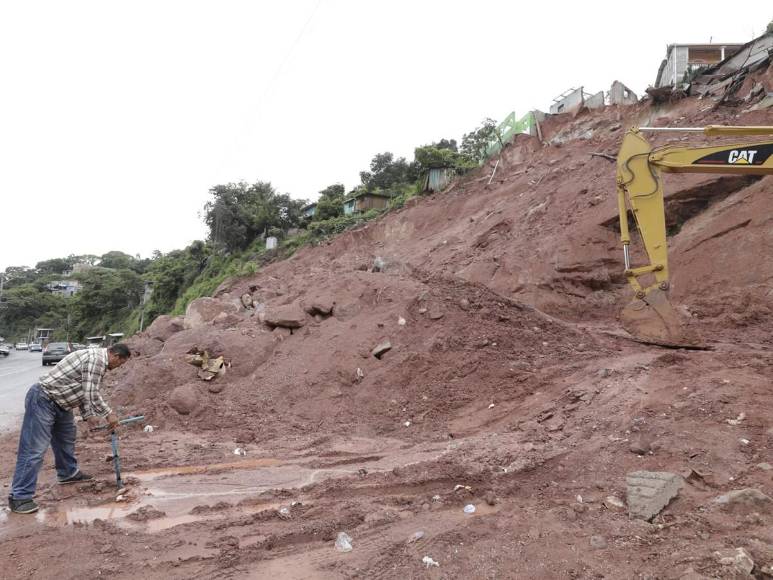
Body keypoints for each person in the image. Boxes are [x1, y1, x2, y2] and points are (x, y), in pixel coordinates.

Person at [7, 343, 131, 514]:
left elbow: (81, 391)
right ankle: (19, 497)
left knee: (66, 439)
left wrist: (88, 416)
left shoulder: (97, 361)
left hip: (62, 404)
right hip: (44, 400)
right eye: (120, 364)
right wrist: (109, 413)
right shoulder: (97, 360)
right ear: (115, 356)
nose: (117, 368)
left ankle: (67, 473)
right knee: (34, 449)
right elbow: (91, 393)